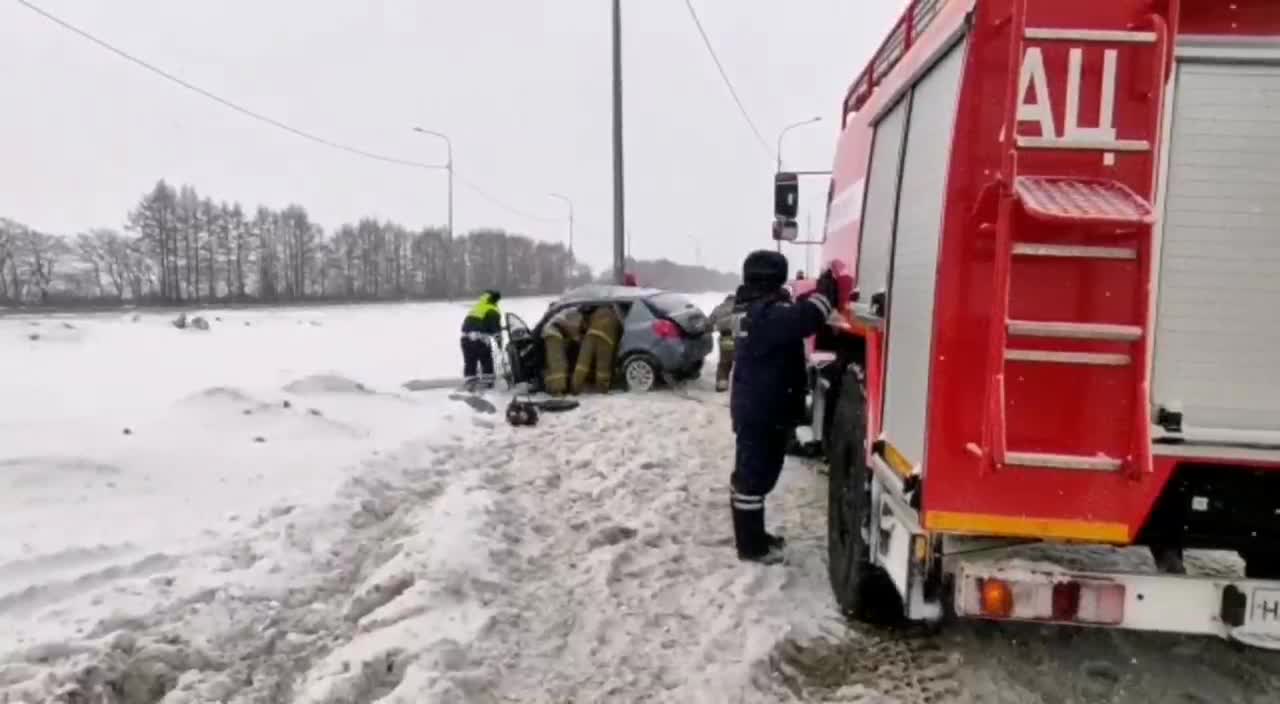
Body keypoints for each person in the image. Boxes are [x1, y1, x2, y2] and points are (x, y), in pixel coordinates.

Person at [730, 251, 839, 564]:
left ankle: (755, 537)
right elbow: (805, 319)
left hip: (762, 407)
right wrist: (825, 293)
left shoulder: (752, 307)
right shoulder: (762, 313)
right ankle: (751, 548)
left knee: (758, 475)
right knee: (753, 479)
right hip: (761, 410)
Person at [573, 304, 623, 393]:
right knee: (602, 367)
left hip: (590, 335)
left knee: (582, 364)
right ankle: (602, 389)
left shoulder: (596, 311)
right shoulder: (617, 316)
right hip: (606, 340)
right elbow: (619, 335)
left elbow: (585, 325)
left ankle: (575, 387)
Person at [460, 289, 502, 389]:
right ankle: (488, 383)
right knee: (486, 360)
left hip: (465, 338)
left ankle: (470, 382)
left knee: (470, 361)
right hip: (480, 339)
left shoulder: (477, 307)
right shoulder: (492, 310)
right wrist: (499, 340)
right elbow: (495, 329)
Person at [541, 307, 584, 395]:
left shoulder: (570, 311)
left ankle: (555, 388)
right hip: (553, 333)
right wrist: (580, 341)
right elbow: (573, 332)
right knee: (558, 365)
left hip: (555, 333)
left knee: (559, 363)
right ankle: (557, 390)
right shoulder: (576, 315)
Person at [708, 293, 738, 393]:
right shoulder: (740, 308)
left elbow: (709, 323)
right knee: (741, 362)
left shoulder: (718, 308)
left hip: (726, 337)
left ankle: (722, 385)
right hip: (740, 338)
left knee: (725, 362)